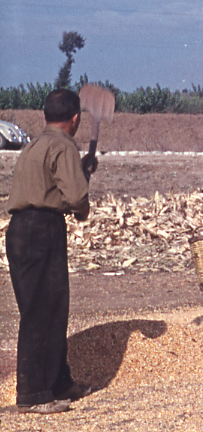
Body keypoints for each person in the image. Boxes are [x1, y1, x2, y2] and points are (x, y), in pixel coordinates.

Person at [6, 89, 97, 414]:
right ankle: (33, 395)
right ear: (75, 119)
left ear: (46, 116)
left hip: (19, 231)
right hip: (42, 230)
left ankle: (60, 383)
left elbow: (50, 182)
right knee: (42, 312)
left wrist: (81, 169)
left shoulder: (34, 145)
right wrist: (84, 198)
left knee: (50, 308)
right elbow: (75, 198)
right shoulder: (64, 146)